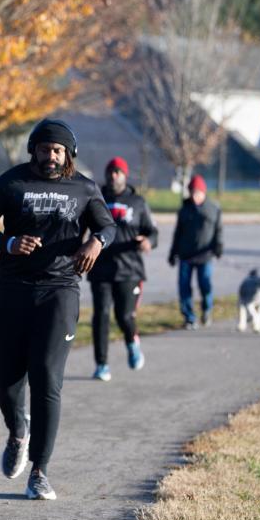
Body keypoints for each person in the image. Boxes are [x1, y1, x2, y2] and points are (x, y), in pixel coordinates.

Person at [0, 118, 115, 500]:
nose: (51, 156)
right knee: (7, 379)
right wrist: (10, 242)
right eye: (45, 148)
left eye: (58, 150)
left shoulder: (83, 187)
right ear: (32, 149)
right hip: (12, 290)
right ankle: (18, 430)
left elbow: (108, 225)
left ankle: (40, 471)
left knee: (47, 380)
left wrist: (96, 242)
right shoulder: (12, 182)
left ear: (69, 154)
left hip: (60, 290)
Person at [88, 157, 158, 382]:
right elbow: (82, 228)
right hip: (100, 268)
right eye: (111, 171)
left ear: (125, 175)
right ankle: (101, 364)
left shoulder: (137, 202)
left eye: (118, 172)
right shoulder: (96, 199)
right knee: (101, 315)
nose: (114, 175)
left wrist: (148, 242)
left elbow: (152, 231)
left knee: (124, 315)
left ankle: (132, 341)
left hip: (129, 269)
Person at [167, 174, 222, 329]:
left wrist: (218, 247)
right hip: (186, 255)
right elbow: (177, 233)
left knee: (205, 285)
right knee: (184, 287)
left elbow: (219, 231)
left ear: (204, 192)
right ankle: (189, 317)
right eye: (192, 192)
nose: (194, 195)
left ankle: (207, 309)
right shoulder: (185, 209)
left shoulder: (212, 209)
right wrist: (173, 253)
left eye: (197, 192)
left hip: (205, 255)